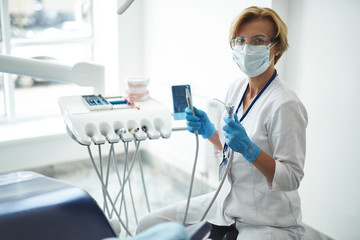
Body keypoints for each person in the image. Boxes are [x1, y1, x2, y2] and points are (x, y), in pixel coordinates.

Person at [136, 6, 308, 240]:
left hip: (267, 221)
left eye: (258, 40)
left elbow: (291, 177)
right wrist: (210, 133)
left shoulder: (285, 105)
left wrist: (250, 150)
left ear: (275, 47)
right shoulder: (236, 88)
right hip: (226, 201)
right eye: (240, 40)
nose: (247, 48)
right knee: (149, 224)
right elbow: (231, 152)